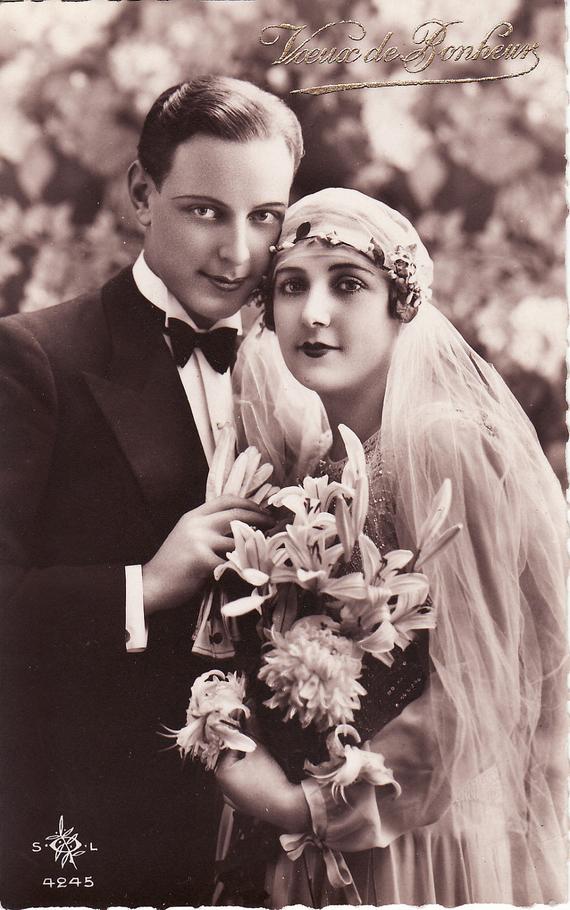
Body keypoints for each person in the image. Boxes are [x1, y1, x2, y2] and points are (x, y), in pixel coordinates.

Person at [215, 188, 567, 906]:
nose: (313, 314)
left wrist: (308, 808)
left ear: (401, 305)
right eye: (290, 287)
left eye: (348, 284)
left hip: (412, 840)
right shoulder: (316, 463)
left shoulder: (441, 440)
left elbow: (488, 688)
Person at [0, 76, 302, 908]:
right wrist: (146, 586)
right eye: (205, 209)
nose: (238, 252)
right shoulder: (36, 360)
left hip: (261, 842)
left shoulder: (306, 378)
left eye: (264, 216)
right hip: (88, 826)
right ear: (142, 194)